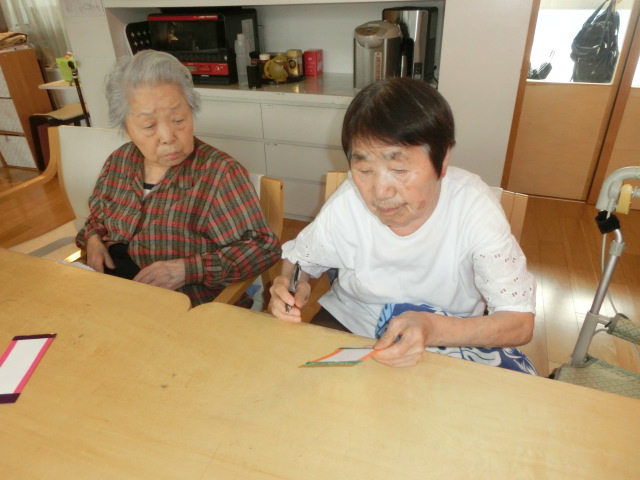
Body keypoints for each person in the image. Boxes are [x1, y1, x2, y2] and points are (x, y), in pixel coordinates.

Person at [269, 78, 536, 373]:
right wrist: (291, 285)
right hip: (353, 326)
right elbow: (300, 261)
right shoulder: (347, 203)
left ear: (442, 159)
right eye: (365, 170)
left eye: (399, 169)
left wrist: (432, 329)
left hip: (450, 336)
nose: (381, 191)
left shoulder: (474, 207)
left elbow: (519, 322)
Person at [76, 50, 281, 307]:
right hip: (115, 298)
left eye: (178, 120)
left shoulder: (219, 174)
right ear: (126, 127)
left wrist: (187, 270)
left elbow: (263, 248)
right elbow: (97, 218)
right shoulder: (119, 161)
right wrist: (93, 239)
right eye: (149, 126)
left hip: (187, 307)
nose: (168, 137)